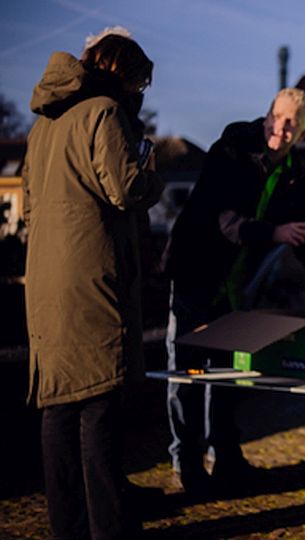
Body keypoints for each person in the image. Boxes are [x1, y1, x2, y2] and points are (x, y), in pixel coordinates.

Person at [23, 29, 163, 539]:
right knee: (99, 407)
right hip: (92, 278)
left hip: (45, 281)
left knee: (59, 407)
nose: (141, 94)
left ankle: (69, 526)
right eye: (139, 83)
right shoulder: (103, 112)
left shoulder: (44, 122)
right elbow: (125, 190)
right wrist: (151, 169)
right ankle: (110, 528)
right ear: (122, 74)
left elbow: (32, 204)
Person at [162, 87, 305, 493]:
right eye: (275, 117)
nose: (279, 128)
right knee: (187, 374)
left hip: (242, 287)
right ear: (266, 114)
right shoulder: (232, 148)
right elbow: (222, 218)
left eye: (290, 125)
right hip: (199, 274)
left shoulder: (298, 176)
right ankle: (188, 466)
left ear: (301, 133)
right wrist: (273, 232)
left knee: (228, 377)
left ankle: (227, 459)